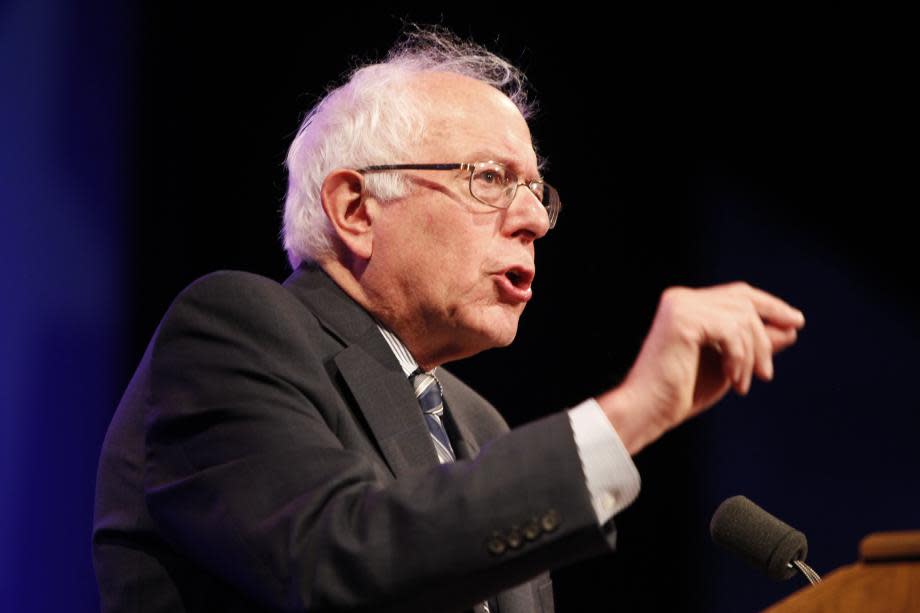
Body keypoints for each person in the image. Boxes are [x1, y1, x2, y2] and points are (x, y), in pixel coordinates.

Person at [92, 28, 805, 612]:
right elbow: (338, 558)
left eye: (534, 190)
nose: (532, 219)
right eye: (488, 179)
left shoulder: (478, 424)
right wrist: (633, 411)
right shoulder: (232, 331)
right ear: (355, 209)